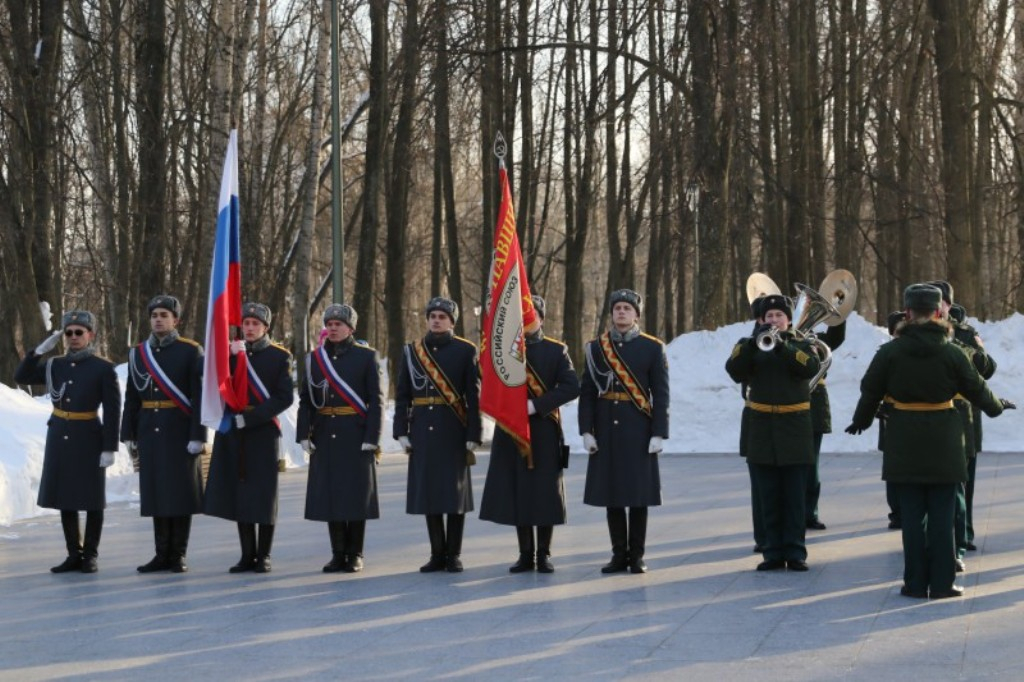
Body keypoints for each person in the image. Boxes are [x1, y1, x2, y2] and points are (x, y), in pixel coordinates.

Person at [845, 284, 1012, 599]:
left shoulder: (890, 352)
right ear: (938, 312)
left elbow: (870, 389)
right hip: (944, 440)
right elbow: (977, 389)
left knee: (911, 517)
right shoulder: (953, 352)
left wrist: (861, 420)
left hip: (903, 438)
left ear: (907, 314)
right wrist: (997, 406)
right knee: (942, 514)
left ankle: (915, 583)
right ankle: (943, 582)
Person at [480, 295, 580, 573]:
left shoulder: (556, 350)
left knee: (544, 492)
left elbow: (572, 386)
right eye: (521, 312)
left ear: (541, 318)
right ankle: (525, 554)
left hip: (544, 428)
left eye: (531, 312)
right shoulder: (503, 351)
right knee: (519, 491)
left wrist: (536, 405)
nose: (526, 316)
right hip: (511, 429)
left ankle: (543, 554)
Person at [15, 311, 120, 573]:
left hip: (88, 437)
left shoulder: (103, 368)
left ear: (90, 335)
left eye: (79, 332)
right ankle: (74, 553)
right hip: (60, 435)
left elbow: (113, 409)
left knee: (92, 499)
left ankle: (90, 555)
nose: (73, 337)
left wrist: (109, 447)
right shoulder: (55, 365)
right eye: (69, 333)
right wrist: (37, 352)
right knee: (66, 497)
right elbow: (22, 377)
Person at [726, 294, 820, 572]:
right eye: (770, 316)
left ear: (789, 320)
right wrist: (756, 345)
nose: (774, 320)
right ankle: (772, 552)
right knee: (767, 493)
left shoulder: (801, 344)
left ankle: (796, 551)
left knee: (794, 494)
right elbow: (734, 370)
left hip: (794, 427)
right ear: (761, 319)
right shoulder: (747, 345)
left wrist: (782, 348)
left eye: (780, 316)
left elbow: (809, 368)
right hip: (761, 426)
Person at [580, 289, 669, 574]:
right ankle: (619, 554)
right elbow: (587, 393)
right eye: (617, 308)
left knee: (638, 495)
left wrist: (659, 432)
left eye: (627, 309)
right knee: (613, 494)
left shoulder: (652, 348)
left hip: (638, 429)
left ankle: (637, 556)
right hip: (606, 430)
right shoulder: (596, 348)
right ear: (612, 313)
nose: (621, 312)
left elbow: (662, 394)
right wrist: (586, 430)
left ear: (636, 315)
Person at [204, 302, 293, 573]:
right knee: (240, 493)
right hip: (234, 430)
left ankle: (263, 555)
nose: (250, 328)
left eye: (256, 324)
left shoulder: (279, 357)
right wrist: (226, 356)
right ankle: (247, 554)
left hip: (263, 429)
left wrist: (252, 418)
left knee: (263, 494)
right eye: (246, 324)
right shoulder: (229, 354)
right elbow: (209, 380)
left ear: (265, 328)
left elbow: (284, 397)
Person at [395, 296, 481, 573]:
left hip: (453, 427)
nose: (436, 320)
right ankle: (436, 553)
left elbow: (473, 396)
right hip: (422, 428)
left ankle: (453, 554)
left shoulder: (466, 351)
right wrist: (401, 431)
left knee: (454, 495)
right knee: (429, 492)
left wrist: (473, 431)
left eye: (442, 316)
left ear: (451, 322)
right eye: (432, 316)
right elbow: (402, 395)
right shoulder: (412, 351)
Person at [122, 295, 206, 573]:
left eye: (164, 315)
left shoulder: (191, 351)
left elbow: (199, 396)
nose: (158, 319)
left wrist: (198, 435)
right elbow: (132, 396)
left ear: (176, 320)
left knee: (180, 493)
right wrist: (129, 432)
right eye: (154, 314)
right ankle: (161, 553)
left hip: (180, 430)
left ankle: (178, 554)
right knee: (157, 492)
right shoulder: (138, 353)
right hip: (150, 430)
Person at [299, 304, 384, 573]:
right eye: (329, 324)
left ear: (351, 328)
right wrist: (304, 434)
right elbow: (305, 400)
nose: (333, 328)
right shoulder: (315, 359)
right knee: (331, 495)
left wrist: (373, 436)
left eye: (339, 324)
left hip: (355, 433)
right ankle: (338, 553)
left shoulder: (366, 357)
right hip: (325, 433)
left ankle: (355, 553)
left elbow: (377, 401)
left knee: (356, 496)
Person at [946, 295, 995, 553]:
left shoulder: (966, 333)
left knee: (966, 478)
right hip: (932, 415)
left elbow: (986, 369)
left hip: (965, 413)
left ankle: (964, 531)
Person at [806, 320, 845, 531]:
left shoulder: (817, 341)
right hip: (787, 406)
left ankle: (810, 513)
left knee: (811, 464)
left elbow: (836, 338)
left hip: (814, 405)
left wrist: (840, 312)